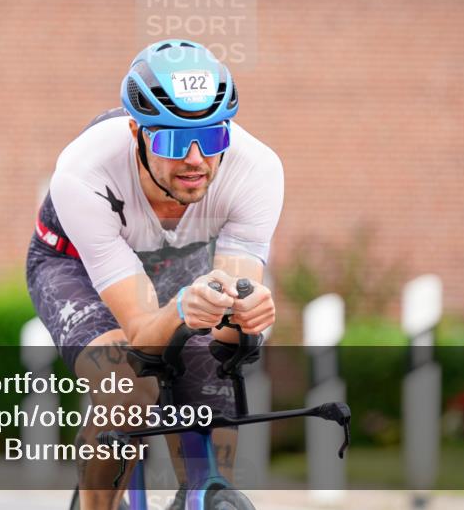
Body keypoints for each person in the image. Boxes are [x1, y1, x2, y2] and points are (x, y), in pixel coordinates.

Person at [26, 40, 284, 510]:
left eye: (211, 138)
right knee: (128, 384)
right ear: (136, 131)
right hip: (74, 263)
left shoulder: (257, 170)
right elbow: (143, 336)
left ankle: (204, 493)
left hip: (180, 259)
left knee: (210, 370)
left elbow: (230, 336)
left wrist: (245, 323)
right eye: (171, 139)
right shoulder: (83, 170)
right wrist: (184, 308)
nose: (194, 160)